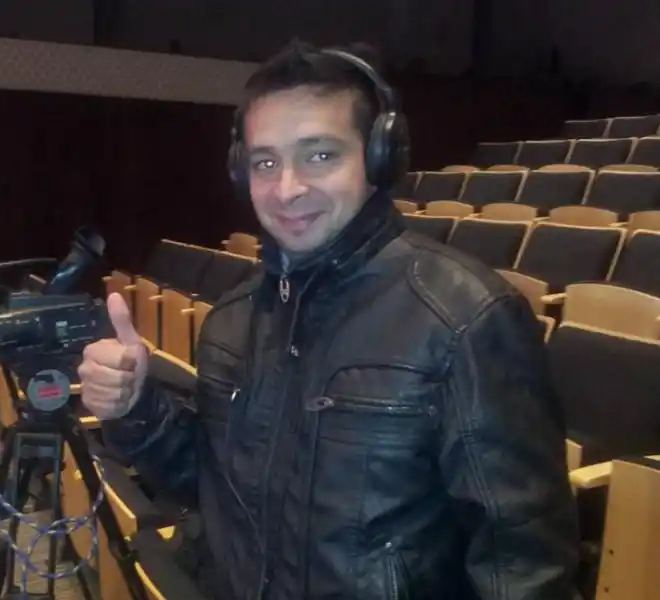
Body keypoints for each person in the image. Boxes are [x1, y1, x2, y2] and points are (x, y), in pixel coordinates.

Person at [78, 39, 579, 600]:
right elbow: (208, 488)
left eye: (320, 155)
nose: (287, 189)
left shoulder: (465, 319)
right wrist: (134, 408)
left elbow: (523, 563)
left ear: (381, 158)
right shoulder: (235, 315)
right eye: (266, 161)